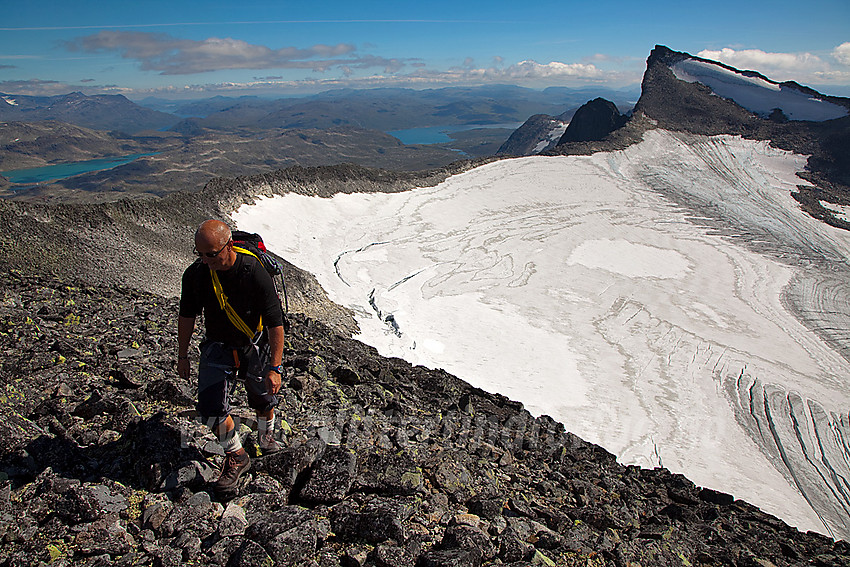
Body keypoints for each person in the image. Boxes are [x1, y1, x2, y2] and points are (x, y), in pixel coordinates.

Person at [177, 219, 285, 498]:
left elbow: (276, 323)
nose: (205, 260)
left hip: (254, 344)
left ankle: (266, 436)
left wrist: (275, 367)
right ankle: (237, 455)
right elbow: (187, 315)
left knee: (263, 400)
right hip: (218, 345)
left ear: (228, 246)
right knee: (211, 409)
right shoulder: (196, 275)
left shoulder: (253, 272)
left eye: (211, 254)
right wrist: (183, 355)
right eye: (199, 254)